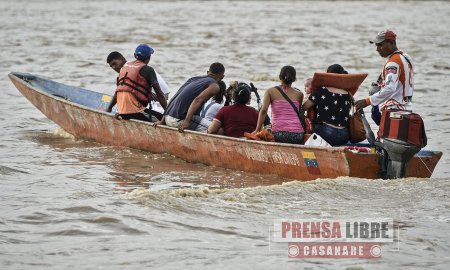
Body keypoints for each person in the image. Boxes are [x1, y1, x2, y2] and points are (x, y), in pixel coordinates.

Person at [355, 30, 414, 123]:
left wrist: (367, 101)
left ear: (391, 43)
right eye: (376, 45)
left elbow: (390, 88)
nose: (377, 49)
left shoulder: (393, 63)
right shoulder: (405, 57)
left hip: (394, 112)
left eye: (380, 45)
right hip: (407, 109)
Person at [161, 62, 225, 132]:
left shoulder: (193, 79)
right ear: (222, 77)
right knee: (219, 130)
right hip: (180, 120)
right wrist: (187, 122)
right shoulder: (214, 86)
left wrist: (163, 121)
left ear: (208, 72)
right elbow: (197, 100)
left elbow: (175, 96)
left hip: (167, 117)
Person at [105, 50, 170, 119]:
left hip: (156, 100)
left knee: (158, 117)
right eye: (111, 66)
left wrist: (110, 108)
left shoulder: (124, 71)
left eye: (114, 64)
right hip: (151, 100)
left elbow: (161, 94)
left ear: (121, 59)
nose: (113, 67)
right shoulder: (137, 67)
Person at [302, 64, 352, 146]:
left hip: (326, 133)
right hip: (344, 135)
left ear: (328, 76)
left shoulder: (322, 90)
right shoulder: (348, 94)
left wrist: (306, 96)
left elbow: (304, 107)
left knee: (307, 132)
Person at [253, 66, 305, 144]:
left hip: (278, 134)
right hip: (298, 135)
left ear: (280, 77)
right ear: (294, 79)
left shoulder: (270, 91)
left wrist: (257, 130)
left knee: (266, 129)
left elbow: (263, 111)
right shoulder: (299, 94)